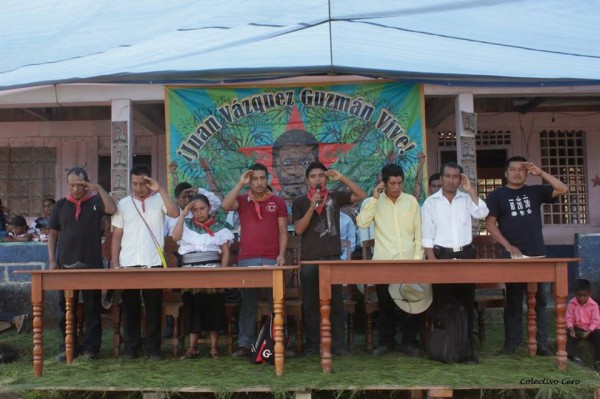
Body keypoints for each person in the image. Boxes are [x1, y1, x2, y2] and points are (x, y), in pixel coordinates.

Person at [485, 156, 568, 356]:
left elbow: (563, 188)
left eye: (521, 169)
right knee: (514, 301)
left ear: (526, 172)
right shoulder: (497, 195)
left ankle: (541, 345)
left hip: (538, 254)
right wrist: (507, 245)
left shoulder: (534, 191)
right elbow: (489, 223)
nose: (517, 173)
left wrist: (541, 173)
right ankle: (512, 344)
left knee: (539, 300)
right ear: (506, 173)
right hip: (514, 257)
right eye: (513, 169)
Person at [293, 161, 366, 356]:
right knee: (310, 305)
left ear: (326, 178)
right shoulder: (300, 202)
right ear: (307, 180)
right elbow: (299, 230)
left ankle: (338, 345)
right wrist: (311, 207)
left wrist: (341, 178)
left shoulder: (335, 197)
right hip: (309, 261)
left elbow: (361, 195)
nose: (318, 179)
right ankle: (312, 344)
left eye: (321, 176)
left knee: (336, 303)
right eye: (313, 176)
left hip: (332, 259)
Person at [421, 162, 489, 363]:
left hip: (465, 255)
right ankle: (444, 350)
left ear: (461, 179)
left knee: (466, 303)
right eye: (448, 176)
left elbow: (482, 213)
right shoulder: (431, 203)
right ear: (441, 178)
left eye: (455, 177)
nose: (451, 180)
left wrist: (471, 190)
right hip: (441, 257)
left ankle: (466, 351)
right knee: (442, 304)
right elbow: (427, 236)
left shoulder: (466, 199)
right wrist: (432, 260)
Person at [47, 167, 116, 361]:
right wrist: (52, 260)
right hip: (65, 265)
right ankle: (68, 346)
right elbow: (53, 234)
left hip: (91, 264)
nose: (76, 189)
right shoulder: (60, 205)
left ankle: (91, 348)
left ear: (87, 184)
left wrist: (98, 188)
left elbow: (111, 209)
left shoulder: (95, 202)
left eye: (80, 185)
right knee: (66, 307)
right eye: (72, 185)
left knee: (93, 307)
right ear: (67, 185)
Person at [111, 164, 179, 360]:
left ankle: (154, 350)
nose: (138, 188)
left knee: (153, 308)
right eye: (134, 183)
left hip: (153, 262)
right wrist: (115, 263)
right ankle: (131, 349)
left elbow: (174, 213)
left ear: (149, 181)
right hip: (128, 264)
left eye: (142, 183)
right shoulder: (123, 204)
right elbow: (117, 235)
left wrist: (161, 190)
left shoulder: (159, 200)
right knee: (130, 308)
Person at [356, 164, 425, 356]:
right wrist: (374, 197)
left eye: (400, 183)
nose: (396, 187)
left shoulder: (410, 201)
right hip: (384, 262)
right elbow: (362, 223)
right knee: (385, 305)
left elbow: (419, 232)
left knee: (410, 304)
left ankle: (409, 342)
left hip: (409, 261)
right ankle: (386, 342)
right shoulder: (374, 202)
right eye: (392, 183)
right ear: (383, 183)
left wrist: (417, 259)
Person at [221, 163, 288, 357]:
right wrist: (240, 183)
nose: (258, 183)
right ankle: (245, 344)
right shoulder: (242, 200)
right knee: (247, 303)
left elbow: (283, 231)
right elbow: (225, 205)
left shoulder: (278, 201)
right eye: (254, 179)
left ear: (267, 180)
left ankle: (279, 342)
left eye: (262, 178)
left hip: (271, 258)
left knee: (276, 302)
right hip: (247, 258)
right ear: (249, 181)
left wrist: (281, 254)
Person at [172, 194, 234, 360]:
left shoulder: (219, 226)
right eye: (194, 210)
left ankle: (214, 346)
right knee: (193, 306)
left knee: (213, 306)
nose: (198, 212)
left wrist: (223, 273)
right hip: (190, 272)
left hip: (213, 271)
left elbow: (226, 252)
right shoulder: (186, 224)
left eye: (202, 208)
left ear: (209, 208)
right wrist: (183, 215)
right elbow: (175, 237)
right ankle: (193, 347)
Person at [566, 279, 600, 370]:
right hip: (577, 329)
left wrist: (588, 332)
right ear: (575, 293)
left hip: (591, 330)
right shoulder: (571, 304)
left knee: (599, 336)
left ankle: (598, 361)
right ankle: (574, 357)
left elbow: (596, 321)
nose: (581, 298)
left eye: (584, 296)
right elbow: (569, 318)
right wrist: (571, 329)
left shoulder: (594, 305)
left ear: (589, 294)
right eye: (579, 296)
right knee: (566, 335)